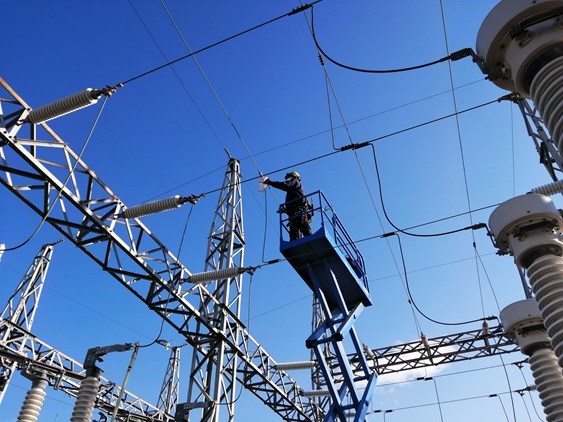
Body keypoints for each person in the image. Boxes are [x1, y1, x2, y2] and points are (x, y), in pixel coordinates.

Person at [263, 171, 312, 241]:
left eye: (289, 178)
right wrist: (285, 210)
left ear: (295, 177)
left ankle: (311, 240)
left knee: (305, 230)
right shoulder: (292, 192)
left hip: (299, 213)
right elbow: (294, 203)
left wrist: (270, 182)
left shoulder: (295, 182)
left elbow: (284, 185)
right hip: (293, 216)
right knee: (294, 236)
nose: (288, 180)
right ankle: (298, 244)